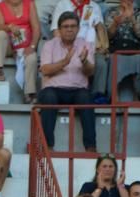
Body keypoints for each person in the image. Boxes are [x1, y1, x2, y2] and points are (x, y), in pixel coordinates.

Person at [38, 12, 97, 152]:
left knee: (86, 98)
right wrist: (65, 62)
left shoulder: (86, 45)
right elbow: (45, 70)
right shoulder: (49, 45)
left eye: (73, 26)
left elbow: (90, 72)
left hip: (77, 90)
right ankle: (47, 146)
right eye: (65, 26)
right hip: (54, 89)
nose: (69, 29)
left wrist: (84, 61)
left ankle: (91, 147)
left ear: (78, 28)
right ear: (59, 29)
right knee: (48, 97)